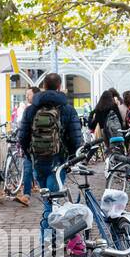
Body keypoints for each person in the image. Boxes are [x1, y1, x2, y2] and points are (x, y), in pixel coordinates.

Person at [17, 72, 83, 245]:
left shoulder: (31, 109)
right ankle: (48, 242)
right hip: (58, 161)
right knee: (52, 204)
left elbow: (22, 136)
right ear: (60, 86)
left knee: (48, 201)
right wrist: (73, 157)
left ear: (44, 87)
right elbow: (76, 138)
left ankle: (49, 241)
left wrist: (29, 154)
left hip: (38, 161)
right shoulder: (67, 109)